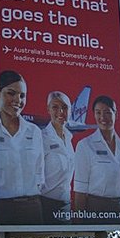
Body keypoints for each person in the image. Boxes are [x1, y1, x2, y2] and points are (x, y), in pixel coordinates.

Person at [0, 70, 44, 225]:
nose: (17, 100)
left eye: (22, 95)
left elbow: (40, 171)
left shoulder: (34, 132)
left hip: (32, 207)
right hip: (0, 208)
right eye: (11, 93)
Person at [74, 95, 120, 223]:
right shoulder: (85, 145)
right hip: (96, 210)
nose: (102, 117)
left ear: (116, 114)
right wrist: (79, 225)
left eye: (107, 112)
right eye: (98, 112)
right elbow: (80, 191)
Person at [41, 91, 75, 224]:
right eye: (55, 107)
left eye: (65, 107)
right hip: (46, 205)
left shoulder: (68, 137)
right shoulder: (42, 139)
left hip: (66, 205)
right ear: (48, 109)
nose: (60, 111)